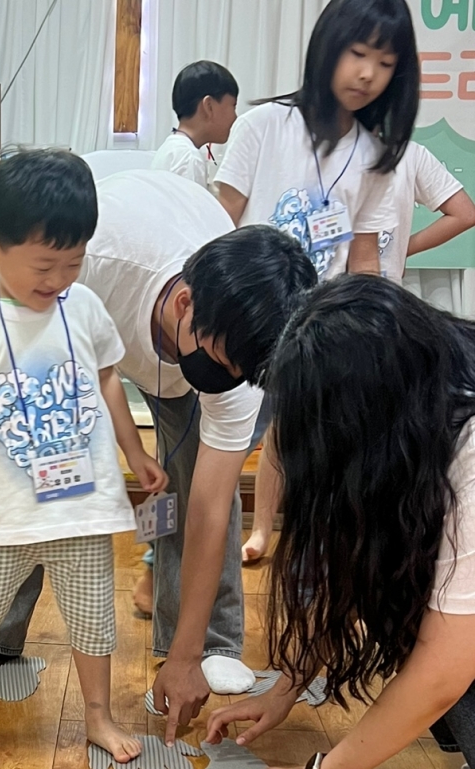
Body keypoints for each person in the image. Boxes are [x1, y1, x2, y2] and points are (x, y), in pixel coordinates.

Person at [0, 169, 316, 704]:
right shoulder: (88, 261)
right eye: (219, 362)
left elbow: (209, 509)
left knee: (200, 486)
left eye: (237, 373)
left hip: (167, 341)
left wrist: (185, 659)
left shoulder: (241, 358)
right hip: (76, 326)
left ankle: (210, 645)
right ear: (185, 304)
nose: (225, 378)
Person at [0, 148, 166, 761]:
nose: (58, 280)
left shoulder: (85, 307)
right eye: (45, 266)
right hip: (7, 513)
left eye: (73, 264)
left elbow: (108, 378)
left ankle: (98, 717)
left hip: (84, 507)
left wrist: (134, 450)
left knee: (94, 621)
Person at [205, 276, 475, 769]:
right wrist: (285, 690)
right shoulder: (423, 406)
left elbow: (444, 669)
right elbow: (361, 565)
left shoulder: (467, 450)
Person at [213, 0, 419, 564]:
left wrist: (373, 338)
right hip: (243, 326)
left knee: (304, 454)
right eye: (358, 53)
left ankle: (290, 562)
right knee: (217, 457)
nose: (368, 74)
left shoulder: (376, 157)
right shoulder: (263, 126)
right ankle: (171, 568)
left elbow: (364, 261)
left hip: (315, 337)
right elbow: (219, 221)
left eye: (385, 63)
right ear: (328, 46)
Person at [379, 141, 475, 283]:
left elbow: (466, 215)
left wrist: (400, 250)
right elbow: (466, 214)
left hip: (375, 284)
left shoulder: (410, 153)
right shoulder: (409, 152)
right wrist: (399, 251)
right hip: (378, 284)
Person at [151, 60, 239, 188]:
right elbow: (190, 202)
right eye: (233, 106)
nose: (235, 118)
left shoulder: (171, 149)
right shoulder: (189, 159)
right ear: (209, 106)